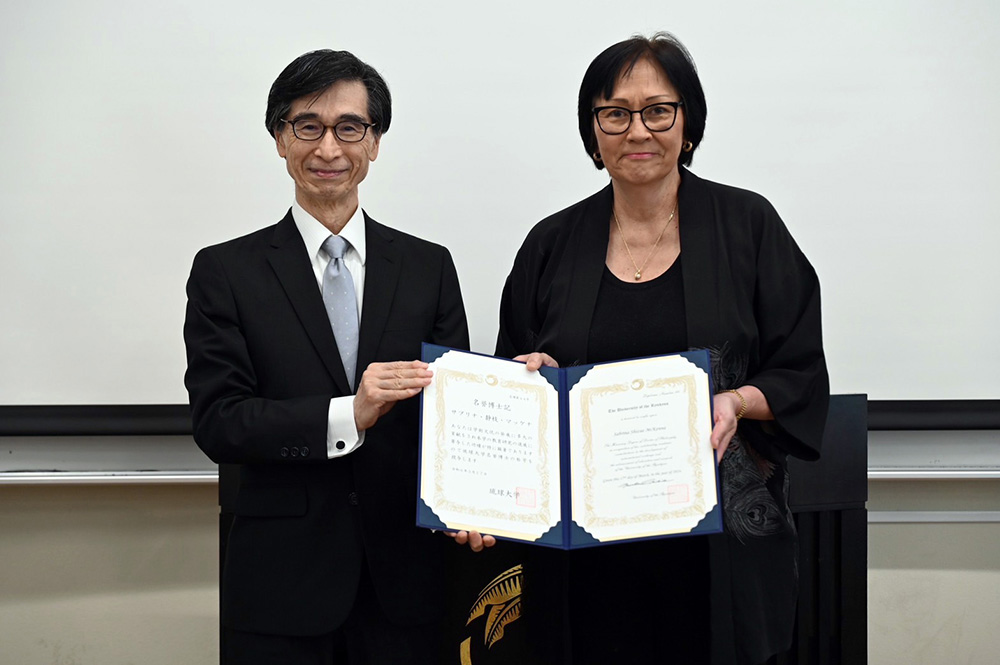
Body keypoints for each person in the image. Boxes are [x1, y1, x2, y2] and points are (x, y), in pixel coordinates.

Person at [496, 33, 829, 665]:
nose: (637, 130)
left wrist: (734, 400)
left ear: (688, 122)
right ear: (593, 132)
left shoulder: (749, 226)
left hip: (716, 544)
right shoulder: (551, 243)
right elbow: (514, 374)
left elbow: (800, 370)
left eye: (657, 110)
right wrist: (528, 379)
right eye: (614, 113)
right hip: (582, 551)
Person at [183, 49, 471, 664]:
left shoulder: (428, 267)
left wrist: (512, 397)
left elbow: (456, 416)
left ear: (375, 142)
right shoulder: (225, 273)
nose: (328, 148)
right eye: (306, 126)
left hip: (406, 584)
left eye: (349, 128)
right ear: (280, 140)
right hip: (280, 589)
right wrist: (350, 414)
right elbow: (220, 421)